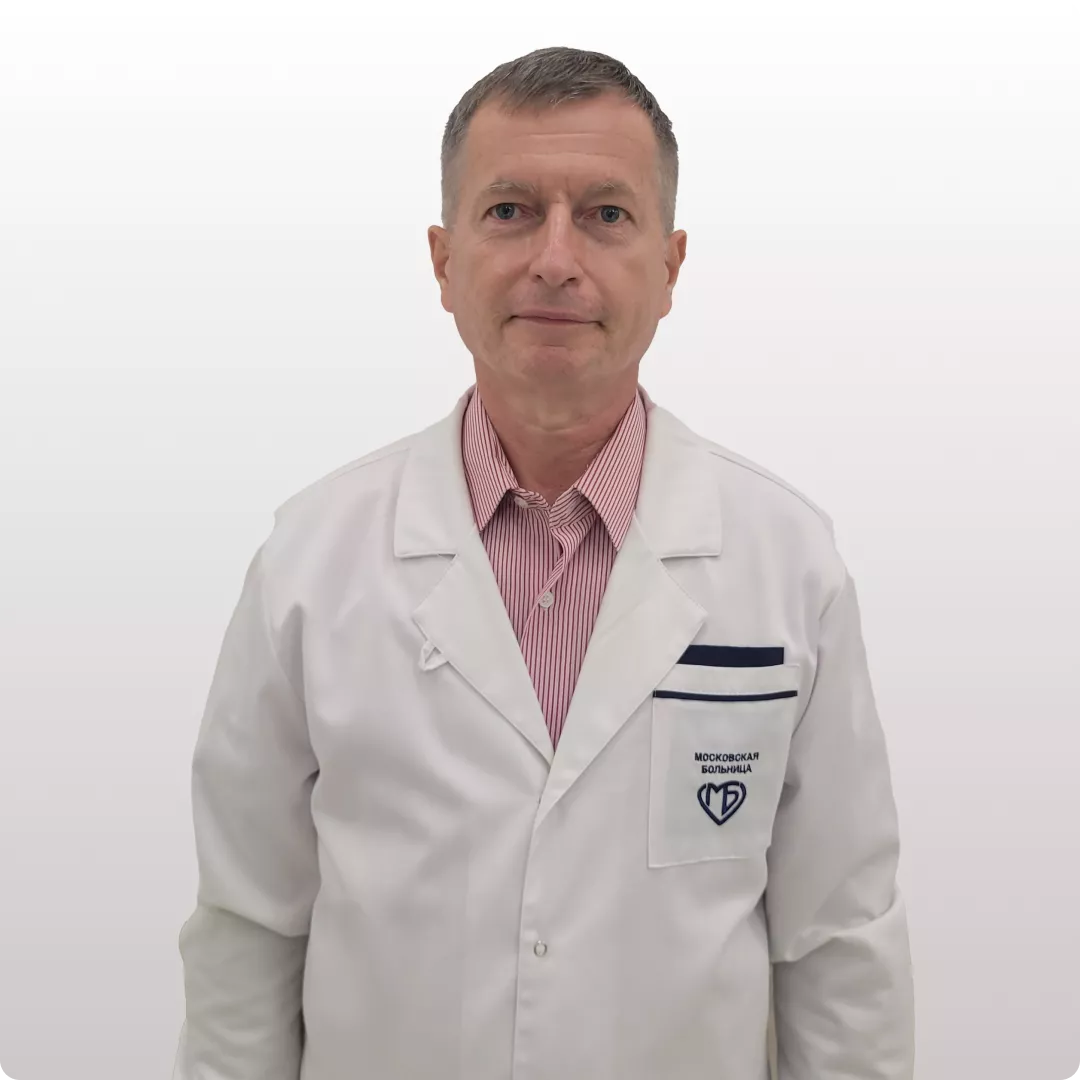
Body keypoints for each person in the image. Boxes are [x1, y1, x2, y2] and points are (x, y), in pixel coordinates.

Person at [173, 45, 915, 1080]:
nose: (556, 259)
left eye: (606, 214)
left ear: (670, 265)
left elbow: (838, 941)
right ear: (443, 262)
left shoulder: (788, 561)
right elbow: (248, 931)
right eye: (511, 211)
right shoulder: (311, 562)